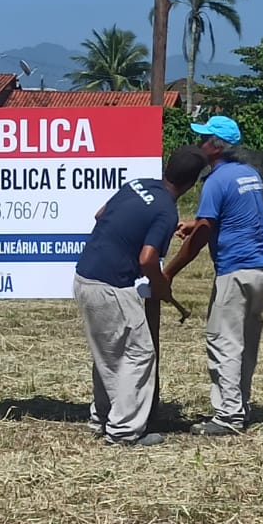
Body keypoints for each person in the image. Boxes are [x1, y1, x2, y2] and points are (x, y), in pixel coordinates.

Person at [73, 147, 207, 447]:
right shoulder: (165, 210)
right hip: (111, 287)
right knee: (139, 353)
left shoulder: (140, 184)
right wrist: (160, 285)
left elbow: (100, 214)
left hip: (85, 276)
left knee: (109, 352)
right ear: (191, 184)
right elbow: (148, 259)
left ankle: (104, 417)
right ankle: (124, 431)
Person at [163, 115, 263, 436]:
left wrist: (169, 271)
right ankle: (241, 406)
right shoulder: (249, 174)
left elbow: (204, 234)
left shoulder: (215, 181)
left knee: (223, 341)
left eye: (203, 139)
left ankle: (227, 417)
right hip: (262, 270)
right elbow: (233, 217)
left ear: (214, 146)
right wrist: (195, 224)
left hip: (234, 271)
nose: (198, 144)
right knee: (246, 342)